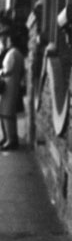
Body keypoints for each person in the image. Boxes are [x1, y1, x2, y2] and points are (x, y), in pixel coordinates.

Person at [0, 17, 25, 150]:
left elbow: (7, 69)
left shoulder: (12, 53)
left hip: (9, 86)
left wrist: (1, 72)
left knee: (7, 113)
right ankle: (10, 138)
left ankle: (10, 139)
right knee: (8, 113)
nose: (5, 40)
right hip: (12, 85)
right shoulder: (17, 53)